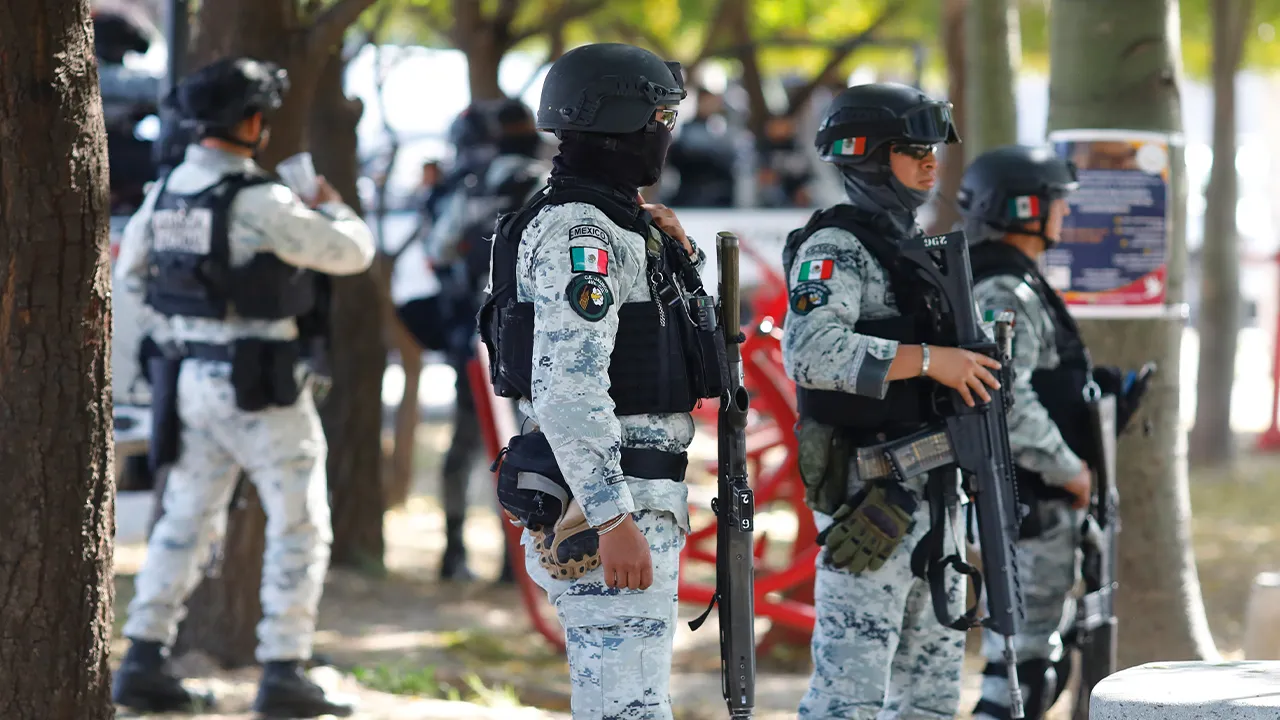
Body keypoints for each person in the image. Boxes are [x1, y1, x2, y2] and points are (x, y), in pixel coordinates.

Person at [111, 57, 375, 717]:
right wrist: (330, 203)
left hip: (189, 382)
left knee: (184, 521)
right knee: (300, 524)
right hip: (260, 389)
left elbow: (131, 281)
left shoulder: (167, 190)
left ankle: (143, 656)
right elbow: (352, 252)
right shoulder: (262, 200)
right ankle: (284, 667)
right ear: (252, 122)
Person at [479, 42, 723, 718]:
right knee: (625, 706)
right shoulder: (580, 232)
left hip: (632, 491)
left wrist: (680, 255)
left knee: (633, 701)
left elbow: (668, 342)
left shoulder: (621, 223)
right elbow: (568, 387)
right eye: (661, 120)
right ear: (624, 124)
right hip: (607, 501)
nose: (667, 136)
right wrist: (613, 518)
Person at [780, 82, 1004, 719]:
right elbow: (810, 353)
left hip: (940, 504)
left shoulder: (922, 252)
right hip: (872, 499)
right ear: (869, 156)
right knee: (847, 699)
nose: (932, 162)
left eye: (934, 149)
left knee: (932, 702)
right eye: (913, 149)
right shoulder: (835, 249)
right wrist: (936, 361)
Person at [959, 145, 1089, 720]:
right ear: (1027, 208)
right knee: (1020, 672)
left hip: (1029, 500)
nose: (1064, 212)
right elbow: (1008, 402)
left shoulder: (1017, 280)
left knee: (1038, 663)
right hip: (1028, 501)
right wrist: (1071, 469)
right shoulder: (1003, 289)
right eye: (1057, 200)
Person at [424, 99, 548, 581]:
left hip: (474, 336)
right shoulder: (543, 184)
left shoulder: (468, 187)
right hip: (531, 343)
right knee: (527, 445)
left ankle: (454, 552)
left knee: (468, 444)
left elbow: (439, 251)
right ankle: (516, 563)